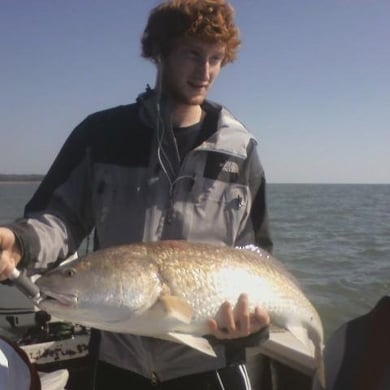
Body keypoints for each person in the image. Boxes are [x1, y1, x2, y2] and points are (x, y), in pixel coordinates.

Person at [0, 0, 273, 388]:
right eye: (193, 54)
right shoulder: (102, 135)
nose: (205, 71)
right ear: (160, 52)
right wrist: (21, 244)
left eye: (216, 58)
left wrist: (254, 325)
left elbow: (255, 254)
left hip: (211, 364)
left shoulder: (241, 152)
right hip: (118, 360)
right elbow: (60, 218)